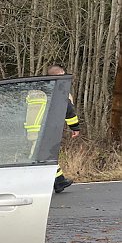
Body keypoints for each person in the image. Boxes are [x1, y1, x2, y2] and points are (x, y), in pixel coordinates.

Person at [46, 65, 81, 193]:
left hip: (34, 130)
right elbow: (69, 111)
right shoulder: (60, 91)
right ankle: (58, 182)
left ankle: (59, 181)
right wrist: (75, 127)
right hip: (48, 130)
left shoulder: (41, 89)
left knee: (47, 156)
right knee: (47, 157)